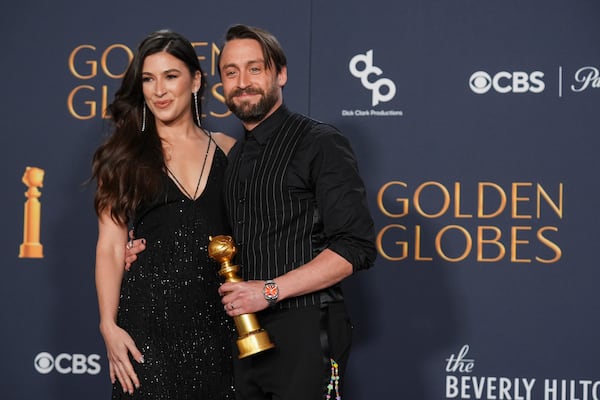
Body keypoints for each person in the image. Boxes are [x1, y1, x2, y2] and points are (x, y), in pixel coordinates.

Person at [127, 24, 376, 399]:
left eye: (255, 68)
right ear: (220, 84)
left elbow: (355, 247)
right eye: (231, 72)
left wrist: (271, 291)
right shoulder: (233, 155)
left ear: (281, 73)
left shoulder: (319, 142)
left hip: (305, 328)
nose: (243, 82)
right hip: (239, 337)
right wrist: (143, 247)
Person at [92, 29, 236, 399]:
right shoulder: (124, 156)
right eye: (148, 79)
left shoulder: (228, 149)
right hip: (148, 327)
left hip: (218, 323)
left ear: (196, 81)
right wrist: (109, 325)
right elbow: (110, 247)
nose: (159, 90)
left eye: (171, 76)